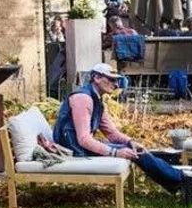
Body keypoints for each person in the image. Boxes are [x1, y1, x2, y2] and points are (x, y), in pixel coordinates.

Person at [53, 64, 182, 192]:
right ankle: (181, 182)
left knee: (137, 150)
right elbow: (84, 139)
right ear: (97, 78)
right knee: (136, 154)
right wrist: (115, 152)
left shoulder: (97, 101)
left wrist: (130, 142)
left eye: (116, 80)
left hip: (78, 145)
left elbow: (112, 133)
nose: (116, 85)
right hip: (72, 149)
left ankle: (177, 180)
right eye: (111, 79)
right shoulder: (83, 98)